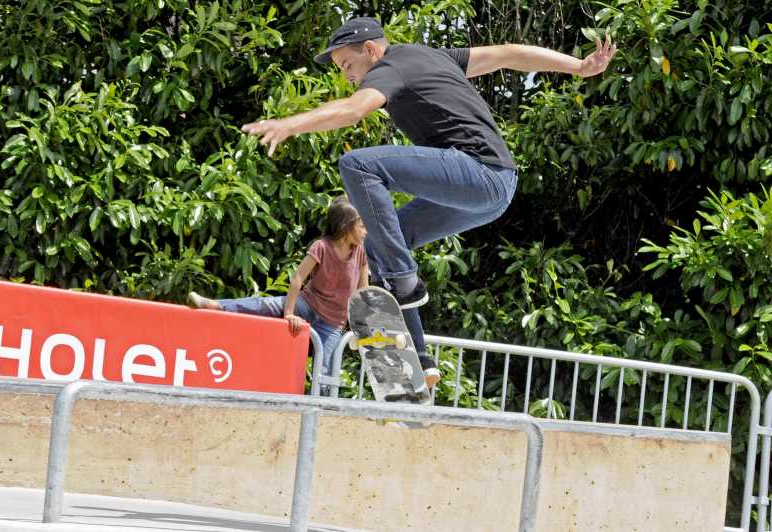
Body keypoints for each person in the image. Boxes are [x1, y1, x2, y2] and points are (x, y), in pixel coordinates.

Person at [241, 16, 617, 382]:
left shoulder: (387, 70)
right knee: (382, 245)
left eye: (347, 64)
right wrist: (579, 67)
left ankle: (404, 280)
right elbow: (509, 53)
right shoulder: (434, 56)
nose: (347, 76)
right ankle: (420, 358)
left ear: (371, 49)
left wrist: (290, 124)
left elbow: (355, 111)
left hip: (478, 173)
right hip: (495, 190)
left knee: (357, 165)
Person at [188, 196, 371, 383]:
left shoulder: (361, 252)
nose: (366, 231)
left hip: (332, 322)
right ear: (345, 226)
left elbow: (362, 293)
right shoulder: (322, 247)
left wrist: (364, 326)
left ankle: (321, 409)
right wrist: (289, 313)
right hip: (307, 304)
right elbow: (298, 278)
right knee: (265, 305)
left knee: (325, 374)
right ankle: (217, 305)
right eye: (362, 226)